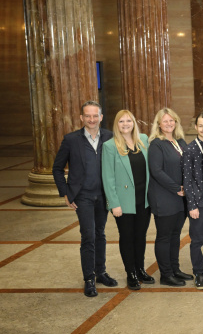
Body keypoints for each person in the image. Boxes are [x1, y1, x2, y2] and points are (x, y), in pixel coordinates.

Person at [53, 101, 116, 297]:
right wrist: (66, 192)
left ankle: (101, 272)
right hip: (83, 196)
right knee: (88, 236)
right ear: (81, 118)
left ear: (101, 117)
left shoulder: (109, 137)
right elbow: (57, 168)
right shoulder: (71, 140)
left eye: (95, 116)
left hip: (103, 195)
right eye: (87, 116)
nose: (91, 119)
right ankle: (89, 279)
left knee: (100, 233)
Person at [102, 109, 151, 291]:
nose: (125, 125)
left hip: (143, 200)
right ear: (116, 125)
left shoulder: (143, 140)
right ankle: (130, 273)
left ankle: (140, 269)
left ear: (133, 123)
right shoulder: (110, 146)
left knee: (141, 237)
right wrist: (114, 204)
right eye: (121, 122)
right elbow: (108, 178)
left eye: (128, 121)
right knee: (127, 237)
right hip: (123, 202)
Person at [148, 108, 190, 287]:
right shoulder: (156, 144)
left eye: (171, 120)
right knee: (164, 236)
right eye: (165, 121)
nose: (169, 124)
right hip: (164, 196)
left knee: (175, 236)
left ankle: (175, 269)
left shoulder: (180, 141)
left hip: (181, 197)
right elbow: (156, 171)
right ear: (158, 124)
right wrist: (176, 188)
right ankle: (165, 274)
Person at [182, 112, 203, 289]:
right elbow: (187, 181)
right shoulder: (189, 150)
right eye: (201, 126)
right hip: (198, 203)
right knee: (197, 239)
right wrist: (192, 205)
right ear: (196, 127)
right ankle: (199, 271)